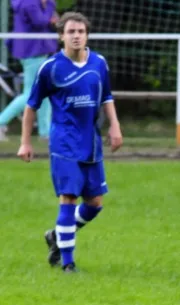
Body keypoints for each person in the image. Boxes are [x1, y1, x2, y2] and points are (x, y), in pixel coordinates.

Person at [17, 12, 123, 273]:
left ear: (87, 35)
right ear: (61, 36)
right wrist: (25, 142)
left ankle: (57, 235)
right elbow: (31, 106)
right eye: (71, 32)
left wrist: (115, 126)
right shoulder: (51, 68)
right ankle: (68, 264)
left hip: (92, 141)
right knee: (68, 197)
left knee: (95, 203)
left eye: (81, 32)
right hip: (64, 143)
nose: (76, 36)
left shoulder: (98, 63)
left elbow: (106, 97)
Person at [1, 0, 59, 141]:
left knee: (44, 92)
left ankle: (45, 132)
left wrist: (50, 10)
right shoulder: (29, 3)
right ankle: (1, 122)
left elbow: (54, 21)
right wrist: (49, 10)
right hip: (32, 53)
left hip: (39, 51)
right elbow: (39, 22)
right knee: (30, 94)